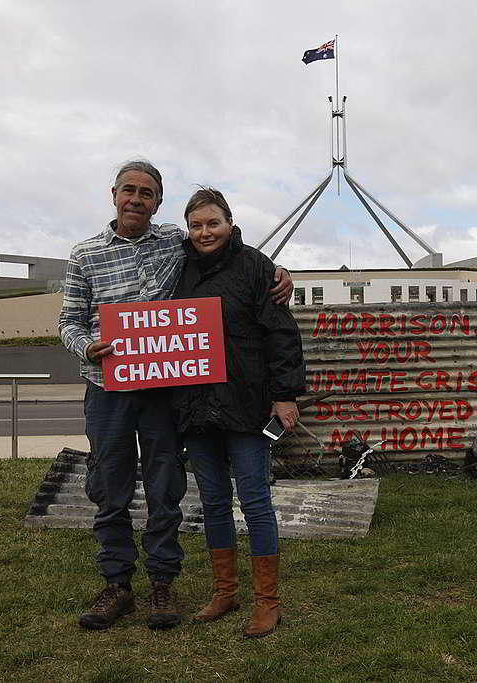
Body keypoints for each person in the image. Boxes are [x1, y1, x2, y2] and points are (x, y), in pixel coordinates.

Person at [58, 161, 293, 631]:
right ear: (114, 195)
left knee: (167, 488)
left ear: (158, 204)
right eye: (130, 191)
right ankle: (117, 585)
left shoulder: (174, 243)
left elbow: (230, 253)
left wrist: (277, 271)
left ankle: (163, 583)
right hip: (109, 388)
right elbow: (68, 321)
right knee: (110, 487)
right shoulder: (85, 255)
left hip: (166, 391)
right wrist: (85, 345)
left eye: (147, 194)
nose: (137, 200)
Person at [172, 187, 305, 638]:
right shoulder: (177, 267)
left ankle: (268, 601)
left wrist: (285, 394)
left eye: (213, 223)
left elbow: (281, 335)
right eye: (196, 225)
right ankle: (224, 591)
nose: (204, 232)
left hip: (246, 405)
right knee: (212, 503)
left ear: (230, 224)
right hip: (194, 406)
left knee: (255, 502)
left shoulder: (256, 267)